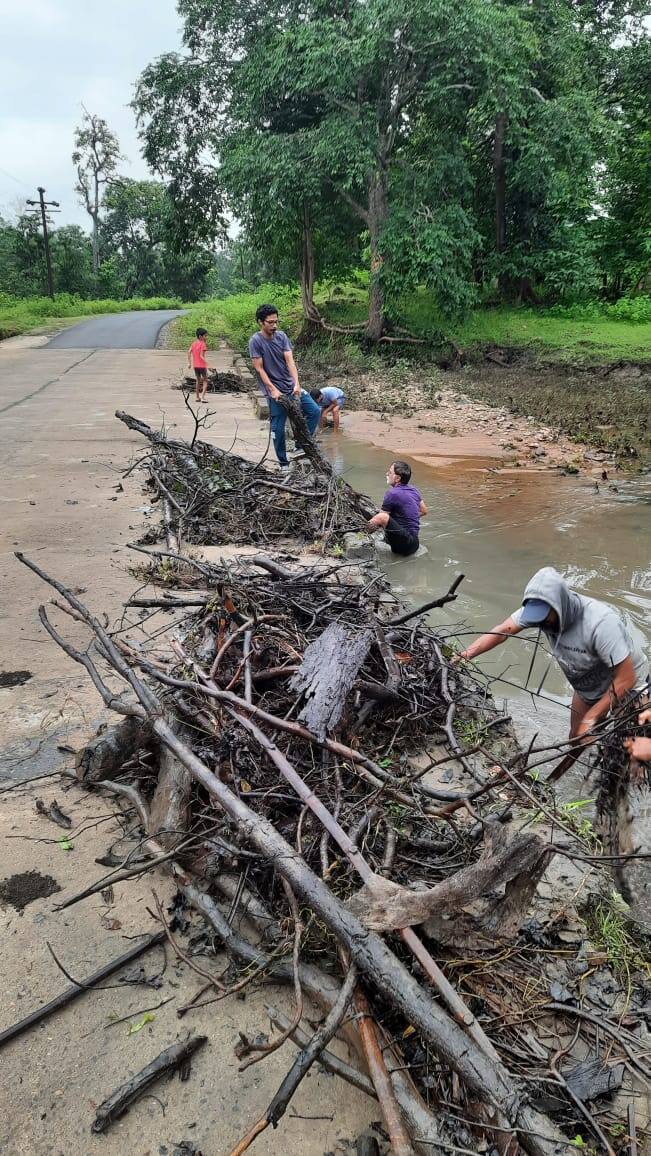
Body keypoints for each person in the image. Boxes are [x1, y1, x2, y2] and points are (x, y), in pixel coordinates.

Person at [456, 567, 649, 741]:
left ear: (560, 605)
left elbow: (627, 678)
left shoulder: (600, 623)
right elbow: (503, 630)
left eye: (544, 616)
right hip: (587, 685)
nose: (539, 622)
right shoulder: (537, 612)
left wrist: (591, 717)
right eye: (535, 616)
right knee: (576, 738)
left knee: (627, 748)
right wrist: (464, 656)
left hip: (628, 686)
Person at [248, 304, 321, 471]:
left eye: (276, 322)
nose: (274, 325)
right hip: (275, 392)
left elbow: (290, 361)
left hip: (290, 387)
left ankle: (299, 445)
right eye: (270, 322)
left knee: (314, 411)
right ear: (260, 322)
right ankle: (283, 463)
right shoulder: (255, 341)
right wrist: (272, 389)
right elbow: (259, 369)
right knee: (278, 428)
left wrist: (297, 383)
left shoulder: (281, 337)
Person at [367, 460, 428, 556]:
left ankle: (360, 535)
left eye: (390, 472)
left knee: (381, 516)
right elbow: (424, 511)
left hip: (405, 545)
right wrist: (406, 518)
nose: (387, 474)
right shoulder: (413, 490)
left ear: (397, 478)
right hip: (414, 543)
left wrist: (365, 529)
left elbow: (382, 517)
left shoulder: (392, 493)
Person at [188, 327, 210, 403]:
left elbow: (189, 352)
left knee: (198, 380)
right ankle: (203, 397)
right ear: (200, 336)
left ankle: (197, 397)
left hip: (195, 365)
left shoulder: (194, 343)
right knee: (205, 380)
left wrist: (189, 363)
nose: (206, 337)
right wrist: (208, 364)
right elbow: (201, 356)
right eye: (205, 336)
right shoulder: (203, 344)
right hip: (202, 366)